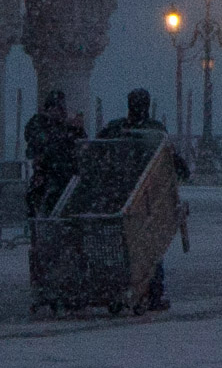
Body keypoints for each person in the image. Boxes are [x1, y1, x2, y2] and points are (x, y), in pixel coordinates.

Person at [99, 89, 189, 311]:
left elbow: (99, 147)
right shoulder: (155, 131)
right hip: (148, 198)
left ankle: (120, 286)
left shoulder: (116, 129)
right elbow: (171, 160)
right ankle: (153, 292)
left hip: (120, 195)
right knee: (150, 246)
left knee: (125, 244)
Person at [24, 90, 87, 218]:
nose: (59, 113)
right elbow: (40, 142)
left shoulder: (68, 128)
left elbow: (82, 145)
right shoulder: (39, 123)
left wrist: (77, 128)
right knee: (38, 201)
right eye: (56, 108)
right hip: (48, 174)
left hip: (67, 175)